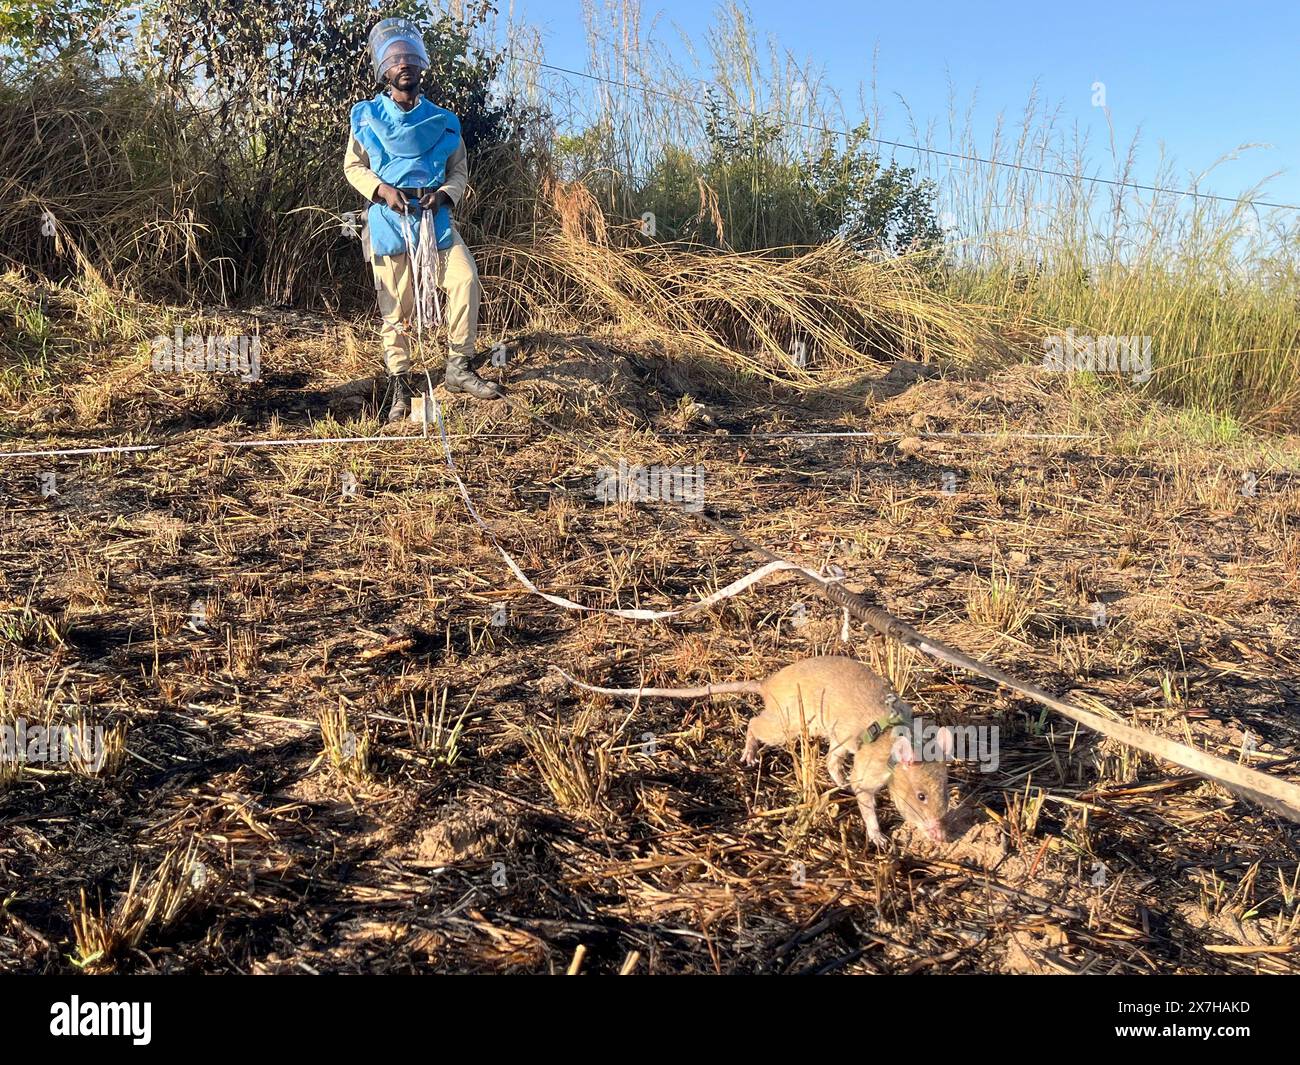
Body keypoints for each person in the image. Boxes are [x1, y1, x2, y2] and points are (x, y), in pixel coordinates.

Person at [344, 17, 501, 421]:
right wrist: (382, 190)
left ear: (421, 65)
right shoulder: (365, 116)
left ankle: (458, 367)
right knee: (396, 309)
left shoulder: (444, 120)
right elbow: (353, 167)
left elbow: (459, 169)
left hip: (436, 221)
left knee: (465, 278)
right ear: (385, 68)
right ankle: (400, 385)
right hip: (389, 221)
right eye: (396, 59)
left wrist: (446, 194)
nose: (404, 65)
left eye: (410, 57)